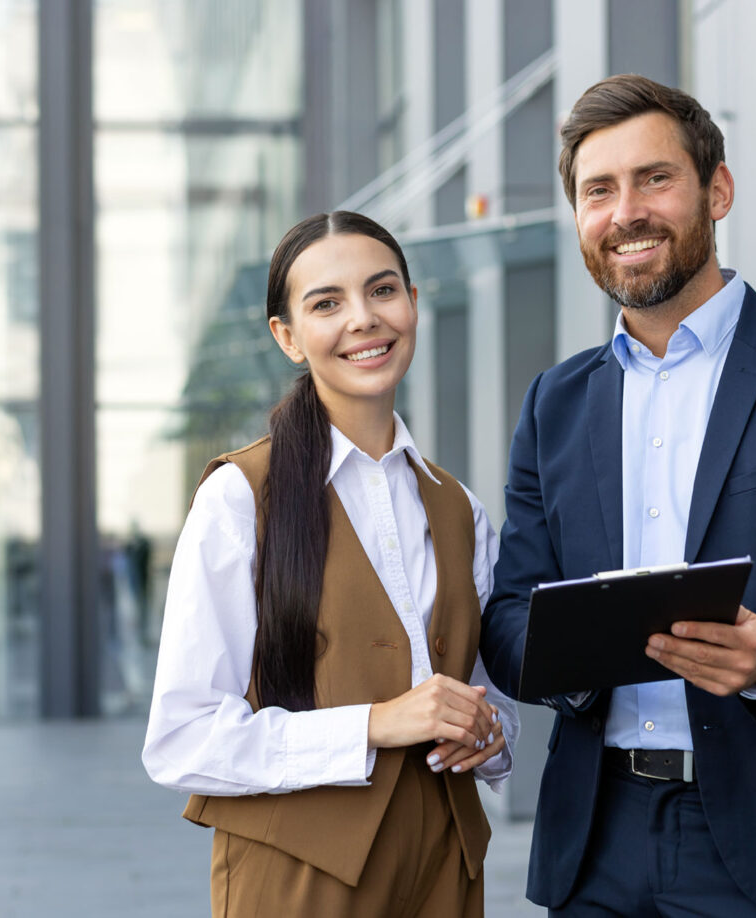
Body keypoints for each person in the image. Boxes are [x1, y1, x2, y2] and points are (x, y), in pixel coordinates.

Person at [480, 74, 756, 917]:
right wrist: (576, 655)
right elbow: (509, 617)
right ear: (578, 218)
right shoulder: (555, 403)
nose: (626, 213)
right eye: (598, 191)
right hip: (596, 842)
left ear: (716, 190)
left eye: (655, 179)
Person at [143, 210, 518, 917]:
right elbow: (181, 739)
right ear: (287, 337)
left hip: (445, 868)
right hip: (299, 880)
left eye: (382, 291)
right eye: (326, 303)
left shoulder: (459, 508)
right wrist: (374, 724)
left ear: (412, 302)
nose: (364, 320)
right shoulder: (238, 497)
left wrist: (489, 734)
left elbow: (482, 697)